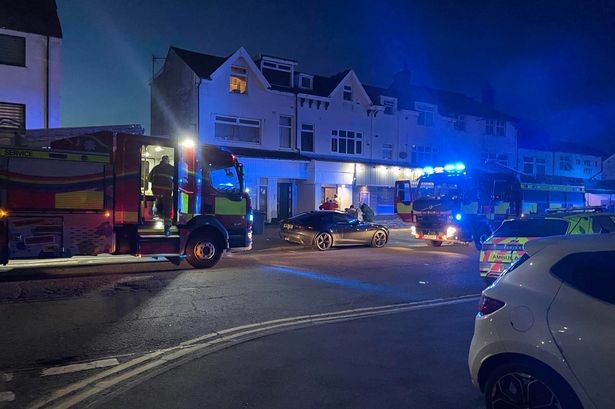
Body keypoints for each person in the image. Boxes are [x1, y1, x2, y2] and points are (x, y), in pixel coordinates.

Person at [149, 155, 174, 235]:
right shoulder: (171, 168)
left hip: (156, 192)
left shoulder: (155, 167)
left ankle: (157, 215)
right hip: (166, 193)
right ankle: (167, 229)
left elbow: (149, 179)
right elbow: (177, 180)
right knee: (167, 211)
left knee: (158, 206)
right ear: (168, 160)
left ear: (161, 160)